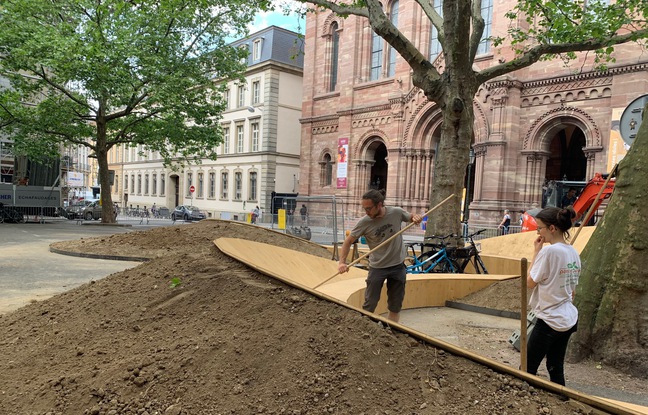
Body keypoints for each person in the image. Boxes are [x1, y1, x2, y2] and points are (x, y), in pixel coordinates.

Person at [337, 189, 423, 322]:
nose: (366, 212)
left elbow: (411, 217)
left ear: (379, 205)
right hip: (377, 267)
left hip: (397, 266)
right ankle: (364, 330)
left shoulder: (396, 212)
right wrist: (342, 262)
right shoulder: (364, 222)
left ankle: (392, 330)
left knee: (395, 305)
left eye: (369, 208)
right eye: (364, 209)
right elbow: (348, 241)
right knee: (370, 303)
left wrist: (415, 217)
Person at [526, 206, 580, 386]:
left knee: (527, 368)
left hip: (549, 320)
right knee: (555, 366)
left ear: (552, 228)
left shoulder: (549, 252)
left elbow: (530, 282)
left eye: (539, 227)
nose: (537, 232)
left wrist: (536, 251)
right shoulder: (573, 252)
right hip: (568, 317)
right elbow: (573, 290)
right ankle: (561, 401)